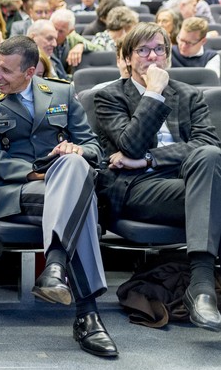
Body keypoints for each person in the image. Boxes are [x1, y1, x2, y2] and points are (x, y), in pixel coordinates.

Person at [0, 36, 118, 358]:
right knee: (83, 202)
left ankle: (56, 266)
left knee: (74, 163)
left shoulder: (61, 92)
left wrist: (76, 149)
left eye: (5, 70)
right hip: (13, 192)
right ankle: (87, 315)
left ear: (30, 71)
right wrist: (39, 173)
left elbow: (94, 147)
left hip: (62, 185)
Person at [93, 22, 221, 334]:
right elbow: (130, 144)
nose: (153, 56)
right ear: (126, 58)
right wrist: (153, 93)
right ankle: (202, 284)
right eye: (143, 50)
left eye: (159, 49)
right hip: (135, 189)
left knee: (208, 157)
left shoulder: (189, 95)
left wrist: (150, 158)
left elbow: (208, 145)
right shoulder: (109, 96)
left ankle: (202, 287)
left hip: (189, 180)